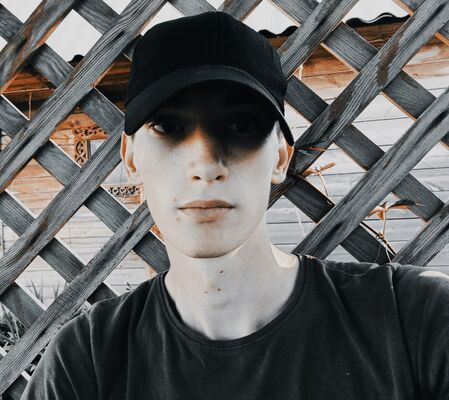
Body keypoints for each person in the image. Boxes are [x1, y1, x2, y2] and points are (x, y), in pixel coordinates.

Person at [20, 11, 449, 400]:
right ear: (131, 158)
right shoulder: (86, 360)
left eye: (242, 125)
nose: (206, 164)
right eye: (168, 126)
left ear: (280, 156)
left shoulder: (415, 320)